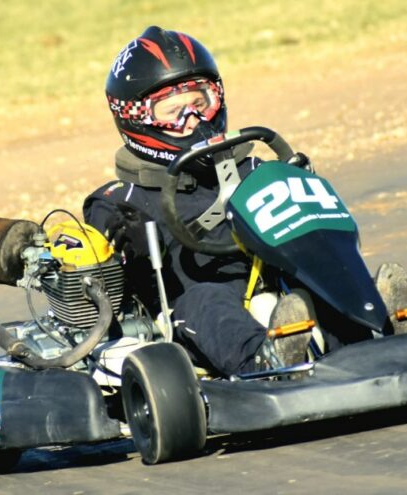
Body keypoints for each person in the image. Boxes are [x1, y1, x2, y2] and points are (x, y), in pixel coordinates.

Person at [82, 26, 312, 377]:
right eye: (173, 111)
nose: (193, 120)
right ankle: (267, 362)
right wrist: (122, 247)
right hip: (186, 321)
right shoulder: (118, 202)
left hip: (276, 293)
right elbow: (103, 283)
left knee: (314, 275)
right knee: (205, 299)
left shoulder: (253, 170)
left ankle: (369, 334)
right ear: (134, 117)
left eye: (200, 103)